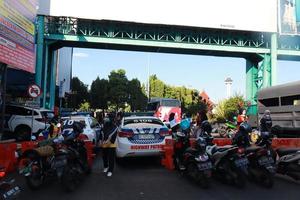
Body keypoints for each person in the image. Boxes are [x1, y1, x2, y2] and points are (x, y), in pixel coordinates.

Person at [99, 112, 118, 177]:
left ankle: (110, 170)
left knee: (111, 157)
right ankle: (106, 167)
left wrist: (107, 141)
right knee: (104, 156)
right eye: (107, 117)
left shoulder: (115, 127)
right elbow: (101, 133)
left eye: (108, 117)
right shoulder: (104, 125)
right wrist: (100, 140)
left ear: (112, 118)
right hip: (104, 142)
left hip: (111, 143)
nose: (106, 118)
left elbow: (112, 136)